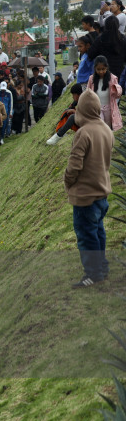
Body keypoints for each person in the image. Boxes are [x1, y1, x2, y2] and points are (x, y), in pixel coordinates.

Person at [64, 89, 114, 288]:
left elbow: (74, 165)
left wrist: (68, 182)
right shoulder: (106, 129)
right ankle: (101, 267)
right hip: (102, 193)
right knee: (98, 233)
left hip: (85, 196)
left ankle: (93, 274)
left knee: (86, 237)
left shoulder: (83, 133)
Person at [86, 56, 123, 130]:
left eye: (103, 69)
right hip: (97, 108)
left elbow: (118, 94)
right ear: (95, 69)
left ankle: (107, 140)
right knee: (100, 127)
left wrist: (117, 90)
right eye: (98, 69)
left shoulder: (112, 78)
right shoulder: (91, 79)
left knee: (107, 128)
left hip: (109, 108)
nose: (101, 72)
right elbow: (88, 92)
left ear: (107, 68)